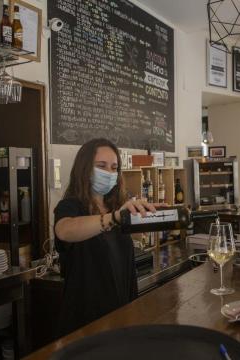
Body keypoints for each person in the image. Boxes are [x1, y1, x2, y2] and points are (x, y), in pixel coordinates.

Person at [53, 138, 158, 335]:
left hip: (120, 315)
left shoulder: (115, 207)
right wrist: (114, 218)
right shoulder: (71, 206)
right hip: (86, 321)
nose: (109, 173)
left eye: (114, 168)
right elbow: (65, 230)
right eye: (101, 166)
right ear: (84, 169)